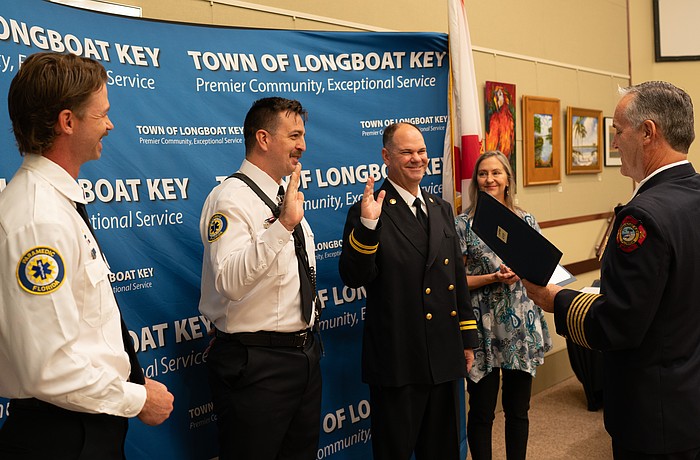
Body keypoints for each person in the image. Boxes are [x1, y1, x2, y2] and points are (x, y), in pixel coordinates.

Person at [0, 52, 174, 459]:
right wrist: (137, 399)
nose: (110, 125)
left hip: (83, 426)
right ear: (68, 122)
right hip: (62, 435)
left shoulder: (54, 205)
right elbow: (50, 368)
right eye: (102, 114)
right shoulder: (37, 219)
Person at [523, 81, 700, 460]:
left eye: (618, 132)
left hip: (656, 414)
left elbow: (620, 323)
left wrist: (558, 300)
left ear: (648, 132)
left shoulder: (642, 216)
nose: (615, 144)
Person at [338, 122, 478, 460]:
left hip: (444, 353)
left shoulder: (440, 208)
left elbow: (456, 278)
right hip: (399, 357)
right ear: (386, 156)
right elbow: (353, 276)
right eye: (406, 152)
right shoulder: (368, 210)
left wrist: (468, 339)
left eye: (421, 151)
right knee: (396, 452)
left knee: (443, 450)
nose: (417, 159)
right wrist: (369, 227)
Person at [198, 97, 321, 460]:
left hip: (303, 357)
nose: (303, 145)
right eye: (294, 135)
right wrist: (283, 225)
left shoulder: (284, 194)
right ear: (263, 139)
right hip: (256, 366)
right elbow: (231, 282)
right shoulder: (230, 198)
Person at [455, 151, 552, 460]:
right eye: (483, 173)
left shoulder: (526, 221)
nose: (490, 179)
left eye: (496, 173)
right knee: (482, 410)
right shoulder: (462, 225)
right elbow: (455, 282)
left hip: (520, 325)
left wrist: (524, 272)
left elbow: (541, 269)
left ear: (508, 179)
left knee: (518, 409)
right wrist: (492, 277)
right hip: (481, 326)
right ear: (476, 180)